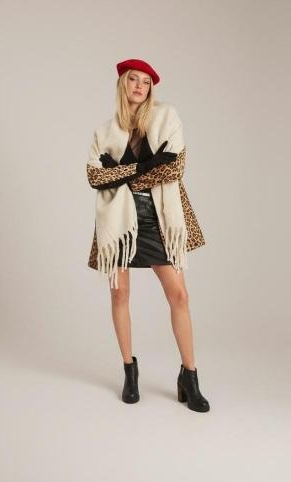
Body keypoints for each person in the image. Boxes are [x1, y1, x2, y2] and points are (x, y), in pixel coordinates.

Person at [86, 58, 210, 412]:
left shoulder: (166, 116)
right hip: (119, 223)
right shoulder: (105, 131)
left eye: (145, 82)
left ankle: (189, 376)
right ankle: (130, 371)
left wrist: (121, 172)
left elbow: (175, 168)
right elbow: (95, 177)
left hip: (159, 217)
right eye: (133, 80)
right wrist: (148, 164)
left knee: (179, 295)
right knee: (119, 294)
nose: (140, 86)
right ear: (122, 85)